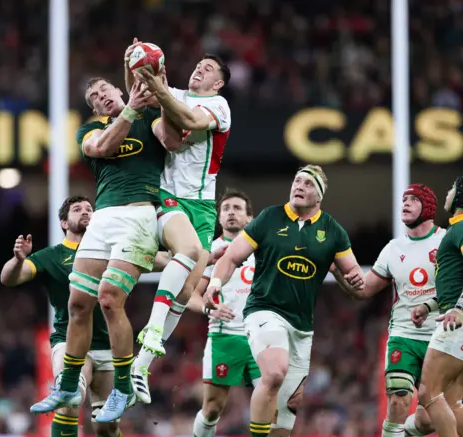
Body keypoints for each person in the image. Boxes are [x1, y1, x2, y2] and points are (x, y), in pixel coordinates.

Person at [29, 77, 181, 422]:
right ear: (95, 108)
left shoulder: (150, 118)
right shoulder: (89, 130)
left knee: (110, 299)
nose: (100, 97)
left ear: (120, 90)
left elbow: (173, 141)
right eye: (94, 97)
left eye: (104, 90)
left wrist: (160, 92)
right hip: (104, 216)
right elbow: (101, 149)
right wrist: (130, 109)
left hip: (140, 214)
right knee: (77, 301)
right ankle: (68, 383)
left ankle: (123, 385)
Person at [204, 165, 366, 437]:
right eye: (297, 180)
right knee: (275, 373)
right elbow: (231, 257)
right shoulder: (269, 218)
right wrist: (215, 283)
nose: (299, 186)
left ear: (319, 197)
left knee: (289, 407)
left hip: (302, 325)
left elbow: (353, 278)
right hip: (263, 311)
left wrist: (354, 279)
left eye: (308, 184)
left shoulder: (333, 231)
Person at [124, 41, 233, 404]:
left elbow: (188, 120)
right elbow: (137, 90)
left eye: (209, 69)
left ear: (218, 84)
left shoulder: (218, 106)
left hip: (201, 204)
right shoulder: (176, 92)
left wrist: (160, 89)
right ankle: (152, 330)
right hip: (166, 194)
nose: (200, 69)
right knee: (187, 251)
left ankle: (139, 366)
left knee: (188, 290)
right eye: (198, 64)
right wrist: (134, 63)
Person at [331, 184, 447, 437]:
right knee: (399, 399)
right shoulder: (393, 249)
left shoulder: (448, 242)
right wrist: (336, 272)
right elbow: (363, 291)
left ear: (428, 206)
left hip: (441, 338)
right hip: (403, 335)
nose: (404, 203)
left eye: (412, 199)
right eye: (403, 199)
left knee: (428, 420)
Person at [1, 196, 122, 437]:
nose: (86, 212)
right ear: (64, 223)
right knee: (70, 402)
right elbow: (8, 278)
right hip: (70, 342)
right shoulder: (52, 256)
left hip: (109, 345)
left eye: (89, 209)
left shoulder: (112, 251)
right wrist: (18, 259)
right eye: (77, 209)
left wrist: (181, 257)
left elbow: (154, 260)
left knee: (107, 427)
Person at [183, 190, 261, 437]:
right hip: (225, 336)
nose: (230, 212)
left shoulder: (264, 251)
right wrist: (209, 307)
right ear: (219, 218)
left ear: (250, 218)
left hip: (262, 337)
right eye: (226, 208)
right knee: (213, 408)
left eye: (237, 208)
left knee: (274, 404)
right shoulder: (211, 252)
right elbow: (189, 295)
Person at [412, 176, 463, 437]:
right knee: (453, 403)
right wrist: (430, 305)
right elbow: (454, 283)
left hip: (456, 323)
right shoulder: (456, 228)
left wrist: (460, 309)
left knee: (428, 392)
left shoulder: (462, 227)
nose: (447, 192)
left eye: (452, 188)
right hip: (454, 318)